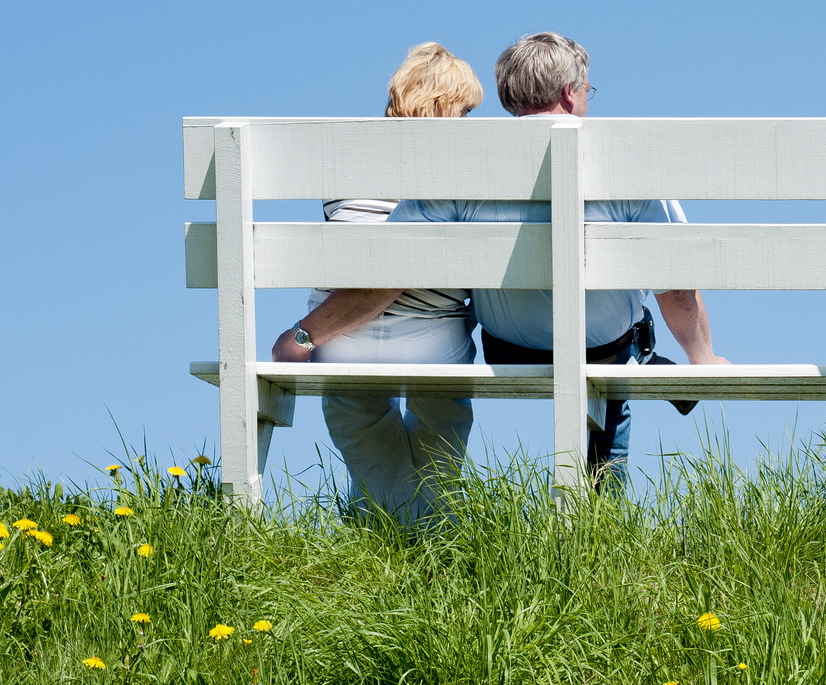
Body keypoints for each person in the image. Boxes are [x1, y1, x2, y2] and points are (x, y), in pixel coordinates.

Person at [292, 32, 728, 491]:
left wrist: (306, 333)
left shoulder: (465, 162)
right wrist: (704, 359)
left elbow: (399, 263)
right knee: (617, 349)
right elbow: (674, 285)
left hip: (508, 349)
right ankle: (603, 519)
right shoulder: (625, 157)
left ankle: (399, 530)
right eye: (587, 91)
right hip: (600, 350)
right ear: (569, 93)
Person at [271, 42, 483, 524]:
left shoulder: (341, 161)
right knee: (441, 420)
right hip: (437, 346)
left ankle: (386, 540)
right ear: (443, 108)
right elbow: (390, 279)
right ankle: (432, 540)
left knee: (359, 416)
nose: (470, 123)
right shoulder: (467, 170)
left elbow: (374, 279)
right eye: (466, 111)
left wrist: (303, 336)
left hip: (340, 343)